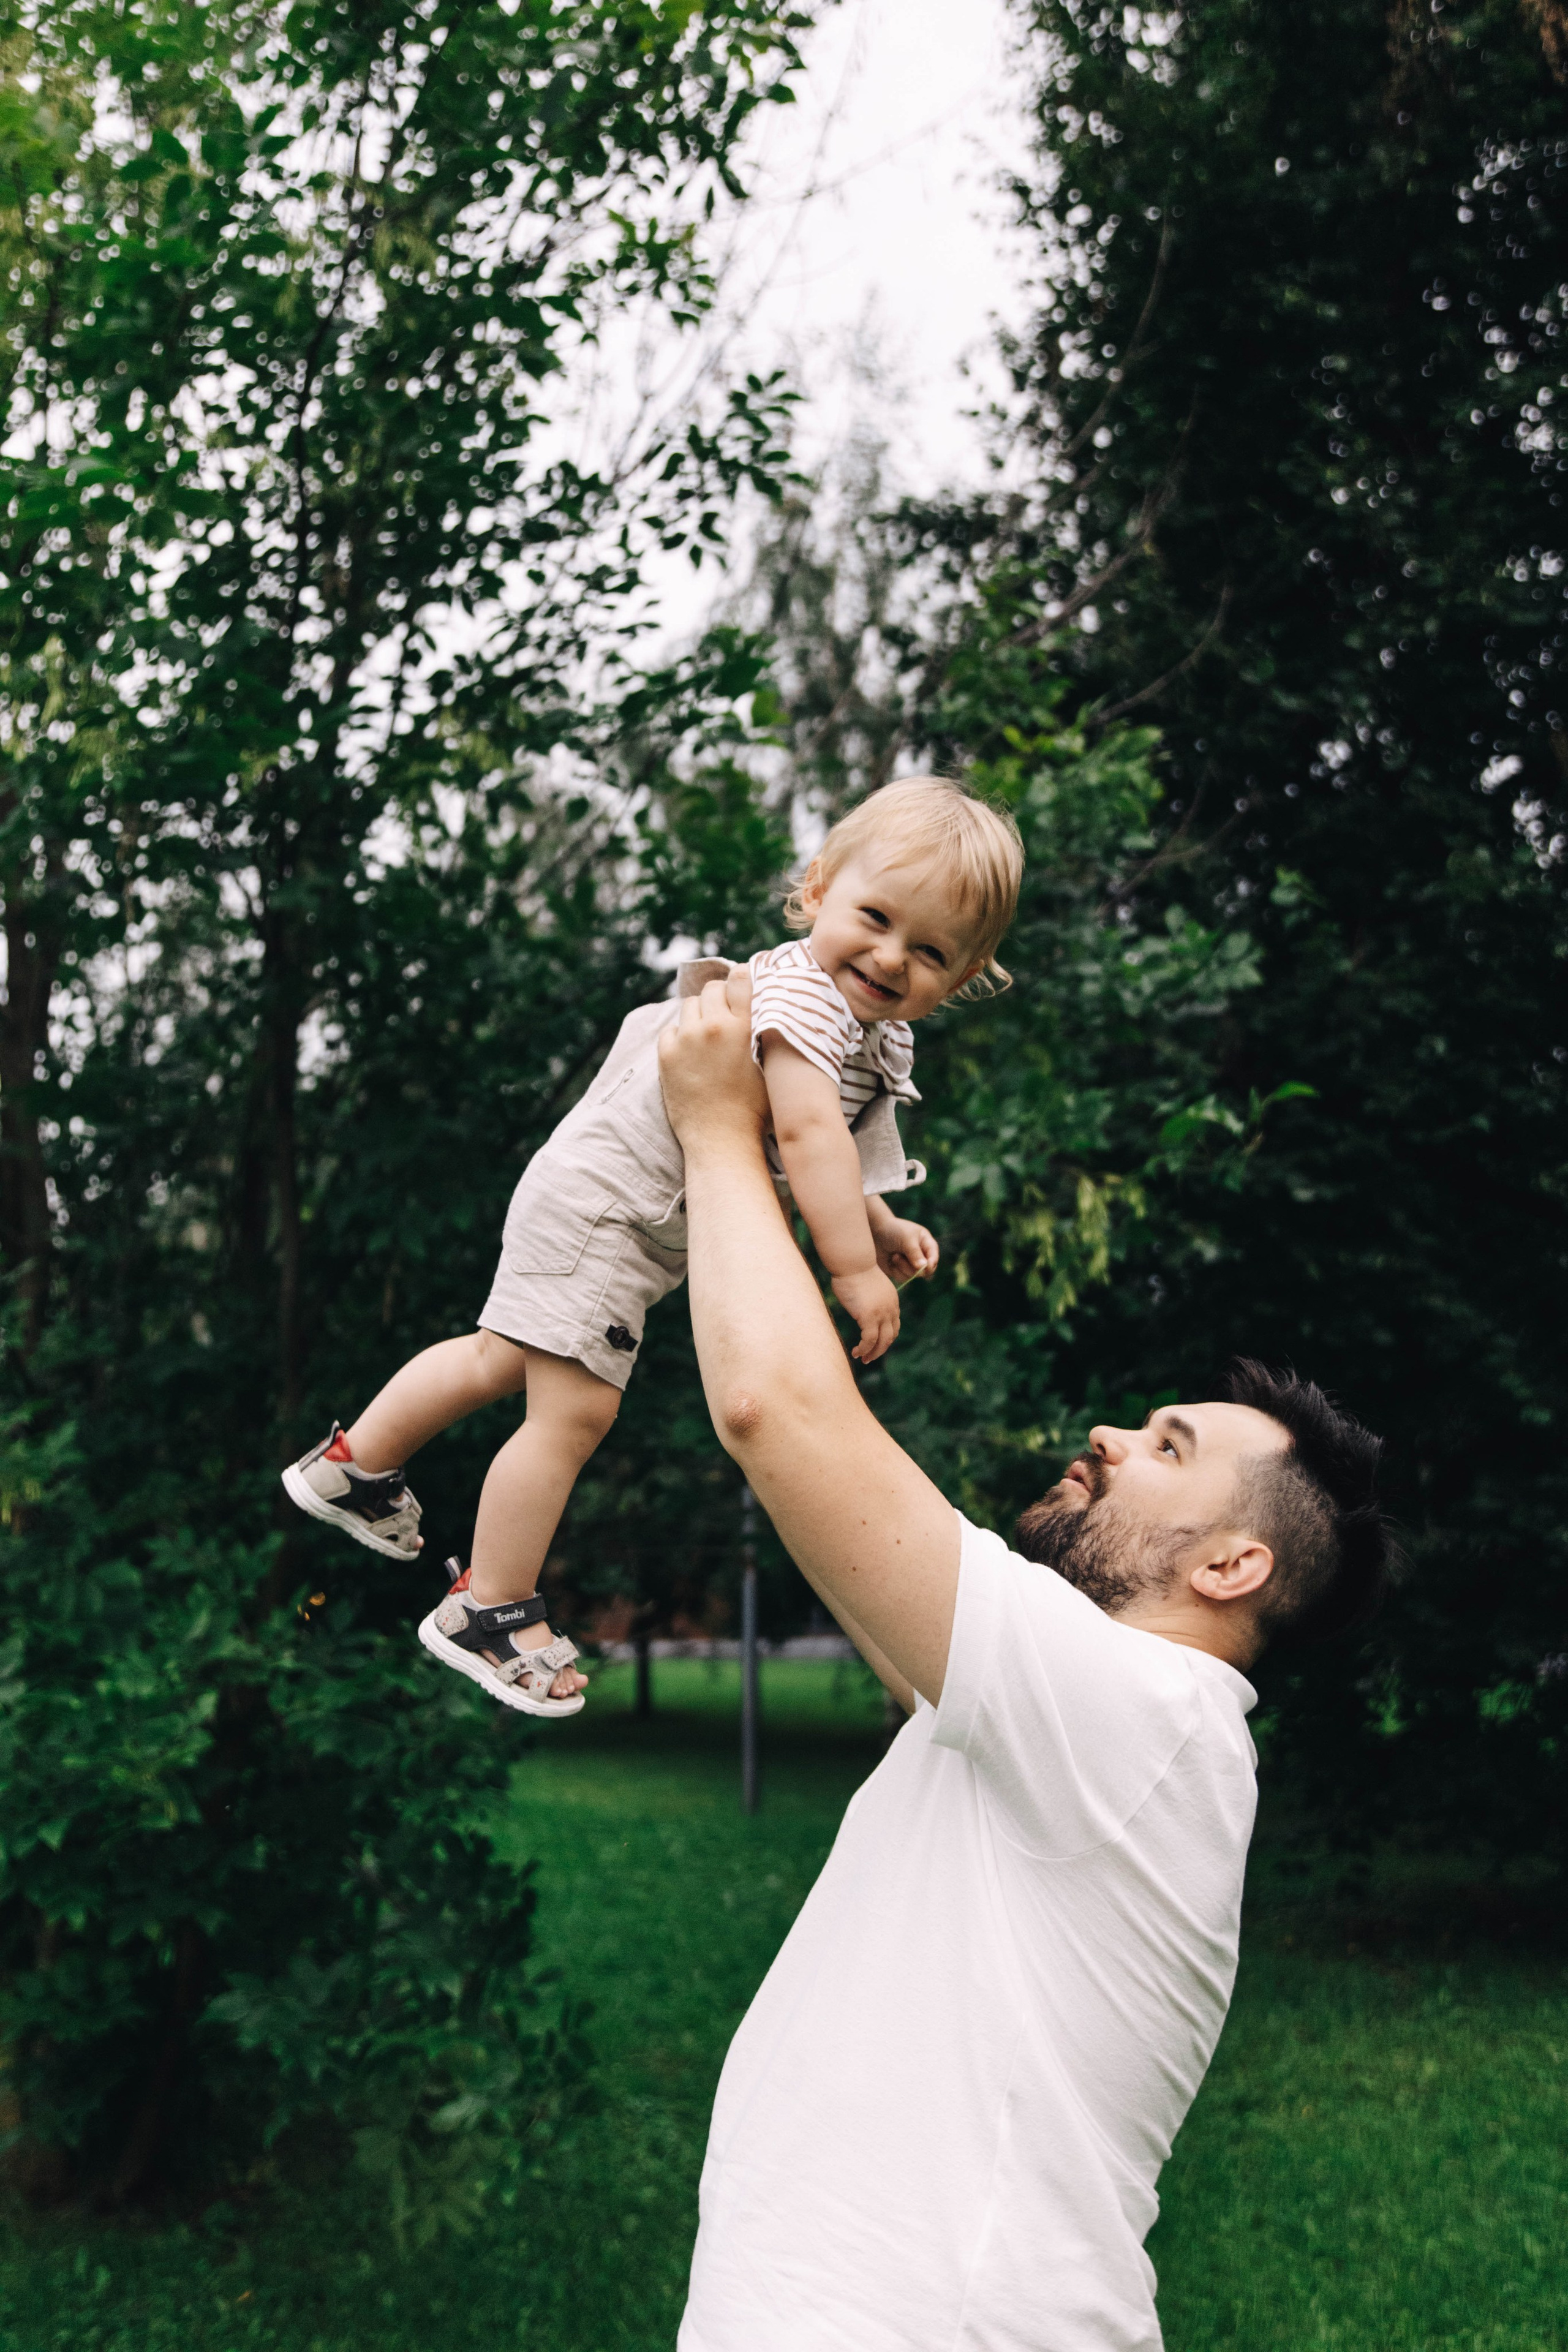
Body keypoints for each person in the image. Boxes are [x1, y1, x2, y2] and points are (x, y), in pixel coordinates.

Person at [655, 971, 1395, 2352]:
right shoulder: (1072, 1715)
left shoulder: (1142, 1708)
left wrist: (708, 1128)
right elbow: (824, 1506)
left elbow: (775, 1414)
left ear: (1231, 1567)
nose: (1112, 1437)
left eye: (1167, 1448)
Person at [279, 777, 1023, 1716]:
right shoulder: (808, 1003)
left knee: (499, 1357)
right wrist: (852, 1269)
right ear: (817, 888)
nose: (889, 957)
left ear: (961, 978)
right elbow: (803, 1140)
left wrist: (874, 1217)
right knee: (574, 1413)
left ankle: (352, 1464)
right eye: (875, 917)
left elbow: (809, 1148)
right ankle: (488, 1606)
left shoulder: (854, 1020)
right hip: (614, 1215)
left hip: (595, 1198)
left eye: (930, 951)